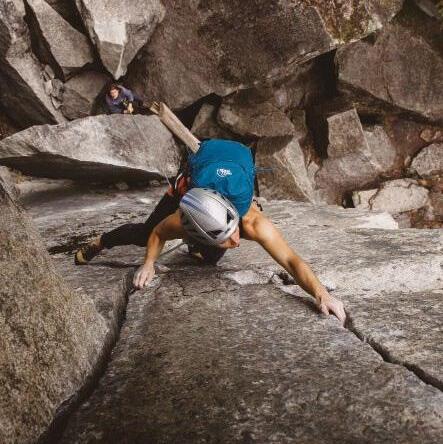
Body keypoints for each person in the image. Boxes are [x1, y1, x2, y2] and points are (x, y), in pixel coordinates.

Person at [75, 139, 346, 325]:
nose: (237, 242)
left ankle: (201, 248)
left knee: (211, 257)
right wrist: (149, 262)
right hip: (193, 187)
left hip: (226, 173)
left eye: (234, 233)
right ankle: (101, 242)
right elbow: (157, 233)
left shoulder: (254, 224)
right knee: (142, 235)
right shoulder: (181, 219)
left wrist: (321, 293)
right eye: (228, 239)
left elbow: (290, 260)